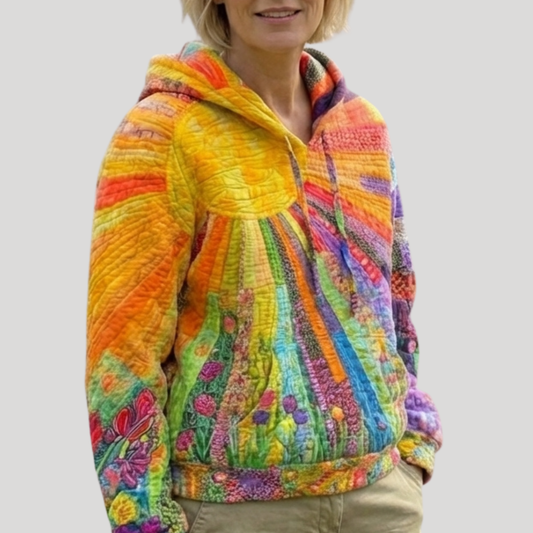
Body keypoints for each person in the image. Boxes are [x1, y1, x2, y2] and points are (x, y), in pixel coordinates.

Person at [85, 1, 443, 532]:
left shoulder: (362, 129)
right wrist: (143, 521)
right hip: (233, 510)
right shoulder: (163, 134)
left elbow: (397, 303)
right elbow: (122, 352)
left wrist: (413, 446)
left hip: (379, 500)